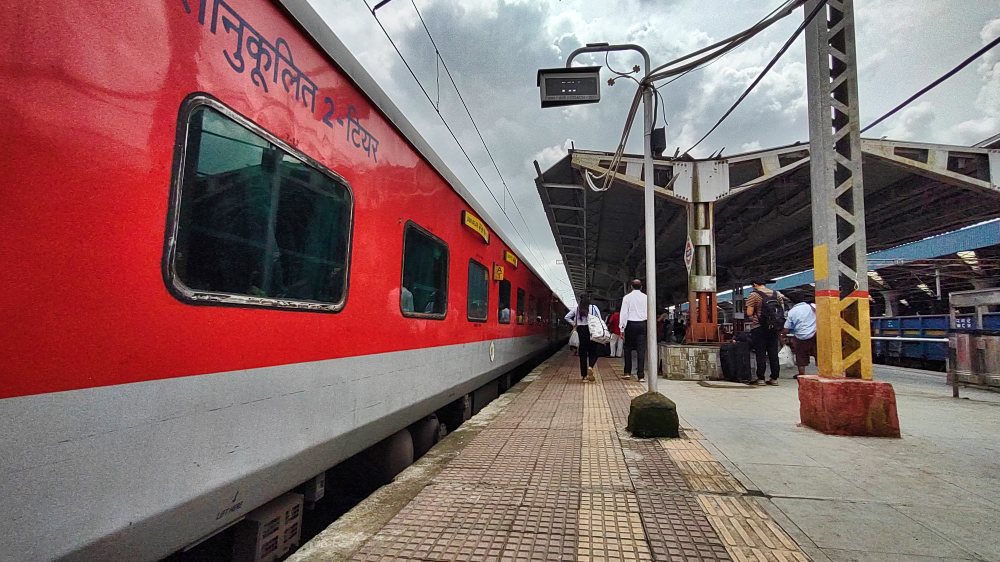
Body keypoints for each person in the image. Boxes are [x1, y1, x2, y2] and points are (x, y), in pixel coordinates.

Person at [745, 279, 788, 385]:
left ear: (754, 284)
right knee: (773, 352)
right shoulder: (777, 294)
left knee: (760, 353)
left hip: (759, 327)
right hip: (774, 327)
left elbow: (749, 312)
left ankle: (760, 378)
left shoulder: (753, 295)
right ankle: (774, 378)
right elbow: (781, 310)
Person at [565, 294, 601, 381]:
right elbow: (599, 318)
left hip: (581, 331)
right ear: (589, 299)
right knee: (594, 351)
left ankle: (584, 376)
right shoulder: (594, 307)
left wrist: (575, 324)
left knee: (583, 354)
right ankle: (590, 367)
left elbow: (566, 317)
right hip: (592, 330)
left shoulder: (577, 309)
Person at [619, 279, 648, 382]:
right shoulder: (646, 297)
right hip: (642, 324)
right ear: (641, 287)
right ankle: (641, 376)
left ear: (631, 287)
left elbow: (624, 313)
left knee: (627, 349)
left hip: (630, 324)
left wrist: (622, 328)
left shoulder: (627, 298)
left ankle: (627, 372)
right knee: (641, 350)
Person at [782, 294, 817, 379]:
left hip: (800, 336)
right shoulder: (813, 306)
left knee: (800, 355)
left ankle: (802, 374)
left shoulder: (792, 312)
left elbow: (786, 328)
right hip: (815, 334)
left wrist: (783, 335)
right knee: (819, 354)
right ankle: (822, 372)